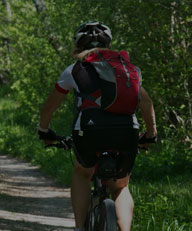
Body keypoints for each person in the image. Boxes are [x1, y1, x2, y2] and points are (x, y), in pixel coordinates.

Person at [38, 21, 157, 231]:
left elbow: (49, 107)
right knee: (120, 187)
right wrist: (150, 134)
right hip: (127, 130)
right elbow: (146, 102)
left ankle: (79, 228)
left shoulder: (74, 69)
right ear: (108, 43)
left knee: (82, 172)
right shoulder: (127, 68)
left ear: (78, 44)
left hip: (89, 131)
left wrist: (44, 131)